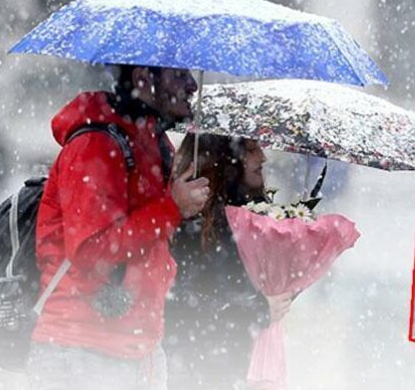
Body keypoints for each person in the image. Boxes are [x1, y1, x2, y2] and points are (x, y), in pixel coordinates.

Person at [28, 65, 210, 390]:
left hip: (139, 351)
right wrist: (172, 208)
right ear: (142, 77)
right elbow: (91, 249)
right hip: (82, 354)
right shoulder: (96, 144)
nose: (192, 85)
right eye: (179, 75)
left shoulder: (153, 144)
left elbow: (152, 237)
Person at [164, 133, 293, 389]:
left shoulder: (252, 213)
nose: (263, 157)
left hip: (238, 364)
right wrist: (257, 308)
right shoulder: (191, 220)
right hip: (197, 368)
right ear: (224, 156)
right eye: (251, 148)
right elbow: (188, 305)